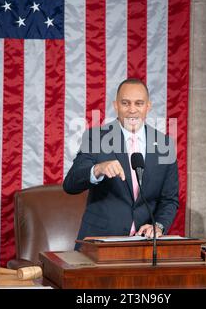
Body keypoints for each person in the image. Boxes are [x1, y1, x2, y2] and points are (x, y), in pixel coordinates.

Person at [63, 78, 179, 250]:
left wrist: (158, 226)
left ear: (148, 106)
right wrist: (97, 170)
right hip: (99, 244)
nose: (132, 110)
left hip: (143, 246)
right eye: (125, 103)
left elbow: (169, 200)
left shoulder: (164, 145)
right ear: (115, 105)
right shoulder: (96, 138)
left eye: (139, 103)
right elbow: (70, 184)